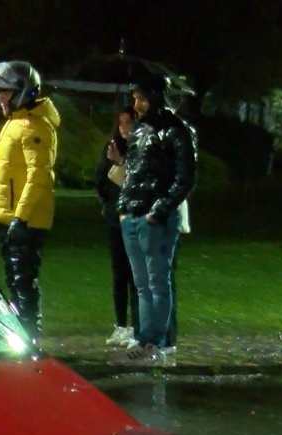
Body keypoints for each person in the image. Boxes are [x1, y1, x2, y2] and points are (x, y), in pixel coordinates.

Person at [0, 60, 60, 345]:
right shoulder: (17, 124)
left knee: (23, 280)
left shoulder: (34, 127)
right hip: (15, 218)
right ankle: (22, 339)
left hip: (26, 220)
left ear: (22, 92)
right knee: (15, 279)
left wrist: (20, 218)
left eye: (5, 92)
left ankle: (29, 340)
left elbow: (39, 177)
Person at [117, 74, 196, 362]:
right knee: (142, 283)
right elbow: (134, 171)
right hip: (135, 214)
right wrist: (125, 209)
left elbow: (184, 177)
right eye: (135, 98)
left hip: (155, 218)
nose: (135, 105)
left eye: (141, 98)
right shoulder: (140, 131)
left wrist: (159, 209)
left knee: (157, 281)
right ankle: (145, 337)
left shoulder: (176, 132)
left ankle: (155, 340)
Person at [97, 107, 139, 347]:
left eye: (129, 122)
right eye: (121, 122)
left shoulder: (139, 149)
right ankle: (121, 324)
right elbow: (100, 178)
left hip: (133, 217)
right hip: (115, 218)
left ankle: (136, 326)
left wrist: (120, 162)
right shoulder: (111, 148)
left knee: (135, 275)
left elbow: (135, 180)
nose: (124, 127)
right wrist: (106, 203)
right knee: (119, 273)